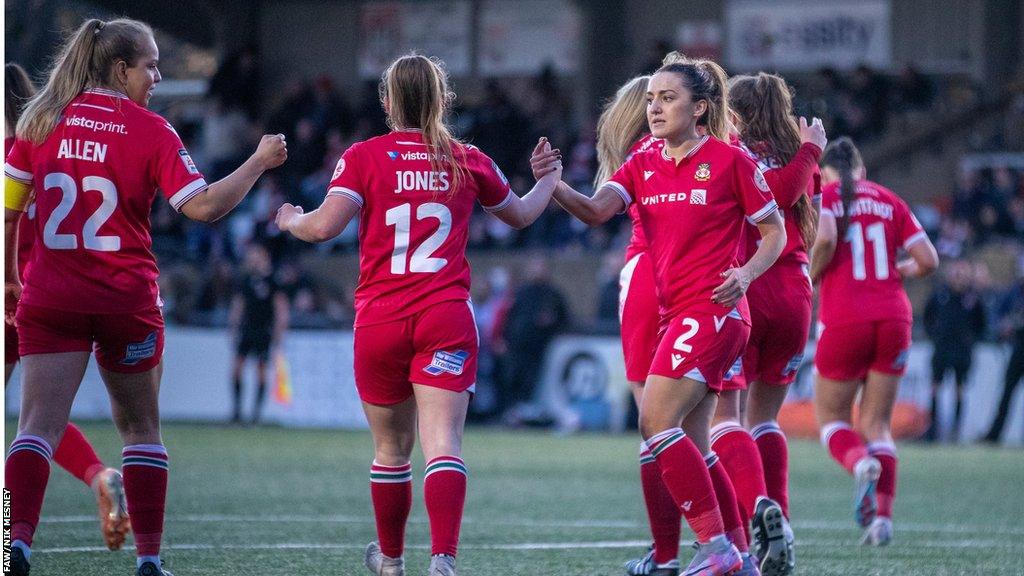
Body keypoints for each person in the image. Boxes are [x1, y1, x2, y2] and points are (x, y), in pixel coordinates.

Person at [3, 18, 287, 576]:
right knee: (141, 430)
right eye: (151, 65)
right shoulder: (151, 131)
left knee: (34, 428)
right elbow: (202, 208)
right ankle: (150, 561)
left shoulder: (37, 123)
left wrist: (10, 277)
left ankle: (12, 545)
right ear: (119, 68)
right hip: (125, 302)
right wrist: (256, 162)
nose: (157, 76)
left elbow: (8, 212)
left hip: (51, 297)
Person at [274, 53, 563, 576]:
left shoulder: (363, 156)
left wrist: (292, 219)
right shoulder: (466, 157)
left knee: (390, 450)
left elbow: (323, 229)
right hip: (445, 317)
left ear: (387, 103)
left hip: (380, 320)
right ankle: (444, 561)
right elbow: (520, 215)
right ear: (443, 100)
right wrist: (547, 180)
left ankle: (390, 560)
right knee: (444, 444)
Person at [536, 58, 786, 576]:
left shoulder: (730, 160)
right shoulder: (645, 159)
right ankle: (739, 555)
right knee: (694, 443)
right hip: (682, 315)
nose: (654, 107)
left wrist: (746, 275)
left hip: (714, 312)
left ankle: (713, 547)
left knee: (653, 420)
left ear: (700, 108)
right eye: (651, 98)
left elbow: (775, 234)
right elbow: (597, 211)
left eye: (667, 98)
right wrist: (555, 186)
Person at [4, 59, 132, 553]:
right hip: (41, 296)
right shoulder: (50, 149)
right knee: (39, 420)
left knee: (33, 425)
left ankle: (8, 538)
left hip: (9, 287)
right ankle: (97, 474)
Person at [711, 73, 828, 576]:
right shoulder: (800, 156)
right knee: (766, 419)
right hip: (795, 293)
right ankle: (780, 517)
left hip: (746, 283)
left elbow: (771, 195)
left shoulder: (732, 150)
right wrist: (808, 154)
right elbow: (810, 215)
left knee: (723, 420)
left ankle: (758, 510)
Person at [810, 137, 938, 547]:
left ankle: (859, 463)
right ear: (861, 171)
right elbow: (929, 261)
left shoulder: (827, 195)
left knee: (832, 421)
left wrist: (809, 276)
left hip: (845, 317)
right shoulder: (889, 199)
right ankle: (882, 520)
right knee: (877, 423)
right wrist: (897, 268)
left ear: (826, 173)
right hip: (894, 317)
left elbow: (826, 239)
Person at [922, 259, 987, 442]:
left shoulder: (973, 299)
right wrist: (934, 335)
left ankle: (955, 432)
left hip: (962, 352)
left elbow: (981, 324)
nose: (958, 277)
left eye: (962, 273)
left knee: (959, 389)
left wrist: (970, 340)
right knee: (935, 388)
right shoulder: (939, 295)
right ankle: (932, 431)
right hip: (941, 348)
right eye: (955, 273)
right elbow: (928, 317)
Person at [228, 242, 290, 425]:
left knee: (261, 371)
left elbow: (281, 308)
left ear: (264, 257)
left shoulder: (273, 281)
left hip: (264, 331)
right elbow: (238, 304)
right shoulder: (246, 279)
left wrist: (279, 332)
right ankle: (237, 412)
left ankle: (255, 415)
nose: (251, 260)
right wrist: (233, 326)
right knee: (236, 369)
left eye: (255, 256)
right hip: (247, 329)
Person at [982, 272, 1024, 443]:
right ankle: (994, 435)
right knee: (1007, 392)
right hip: (1019, 346)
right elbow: (997, 314)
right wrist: (1003, 325)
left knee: (1007, 392)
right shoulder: (1014, 291)